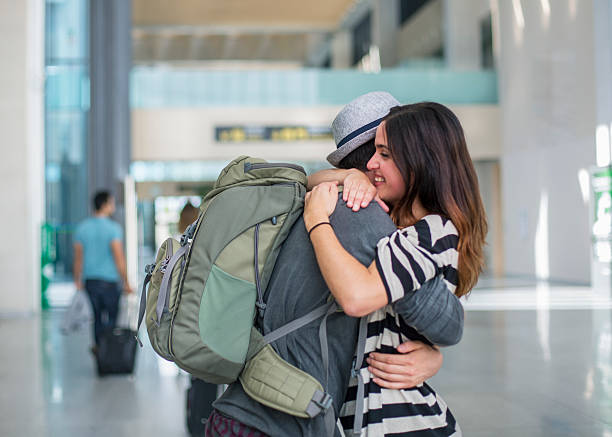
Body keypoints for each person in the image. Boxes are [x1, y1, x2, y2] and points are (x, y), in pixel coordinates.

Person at [207, 93, 465, 436]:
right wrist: (436, 352)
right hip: (282, 418)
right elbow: (446, 323)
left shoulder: (316, 200)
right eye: (380, 150)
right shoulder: (365, 219)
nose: (376, 162)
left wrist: (431, 355)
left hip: (250, 403)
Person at [304, 102, 487, 435]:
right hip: (373, 415)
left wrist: (316, 221)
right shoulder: (395, 225)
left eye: (385, 154)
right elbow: (309, 179)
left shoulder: (434, 232)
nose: (372, 163)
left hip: (404, 420)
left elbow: (357, 297)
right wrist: (348, 176)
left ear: (421, 161)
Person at [73, 191, 133, 348]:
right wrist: (126, 281)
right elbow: (118, 257)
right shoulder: (113, 228)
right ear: (105, 205)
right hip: (109, 282)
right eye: (111, 203)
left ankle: (99, 349)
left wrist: (77, 280)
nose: (113, 206)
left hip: (90, 281)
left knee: (97, 318)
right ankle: (109, 351)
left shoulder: (82, 228)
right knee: (112, 318)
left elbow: (78, 258)